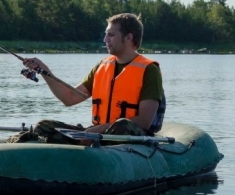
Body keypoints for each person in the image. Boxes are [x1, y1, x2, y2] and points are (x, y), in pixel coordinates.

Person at [21, 13, 165, 140]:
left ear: (128, 37)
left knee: (123, 124)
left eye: (111, 35)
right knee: (44, 126)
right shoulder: (101, 67)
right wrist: (44, 71)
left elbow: (144, 121)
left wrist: (99, 130)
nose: (105, 39)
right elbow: (69, 98)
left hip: (130, 137)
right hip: (97, 135)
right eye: (106, 34)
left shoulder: (149, 70)